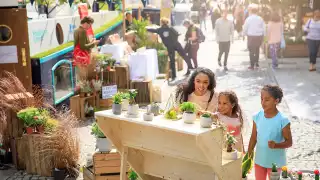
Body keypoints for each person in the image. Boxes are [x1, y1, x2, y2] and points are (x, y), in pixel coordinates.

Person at [248, 85, 292, 180]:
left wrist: (276, 145)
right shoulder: (257, 116)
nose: (263, 102)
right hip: (259, 161)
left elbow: (289, 142)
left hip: (276, 164)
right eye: (261, 99)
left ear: (276, 101)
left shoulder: (283, 120)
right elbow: (253, 137)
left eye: (267, 100)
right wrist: (249, 153)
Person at [243, 4, 265, 70]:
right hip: (259, 36)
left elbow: (245, 28)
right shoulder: (260, 19)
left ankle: (252, 65)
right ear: (257, 12)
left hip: (251, 36)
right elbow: (264, 28)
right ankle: (257, 63)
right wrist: (264, 36)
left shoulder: (248, 19)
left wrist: (244, 35)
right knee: (257, 49)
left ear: (251, 11)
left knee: (251, 51)